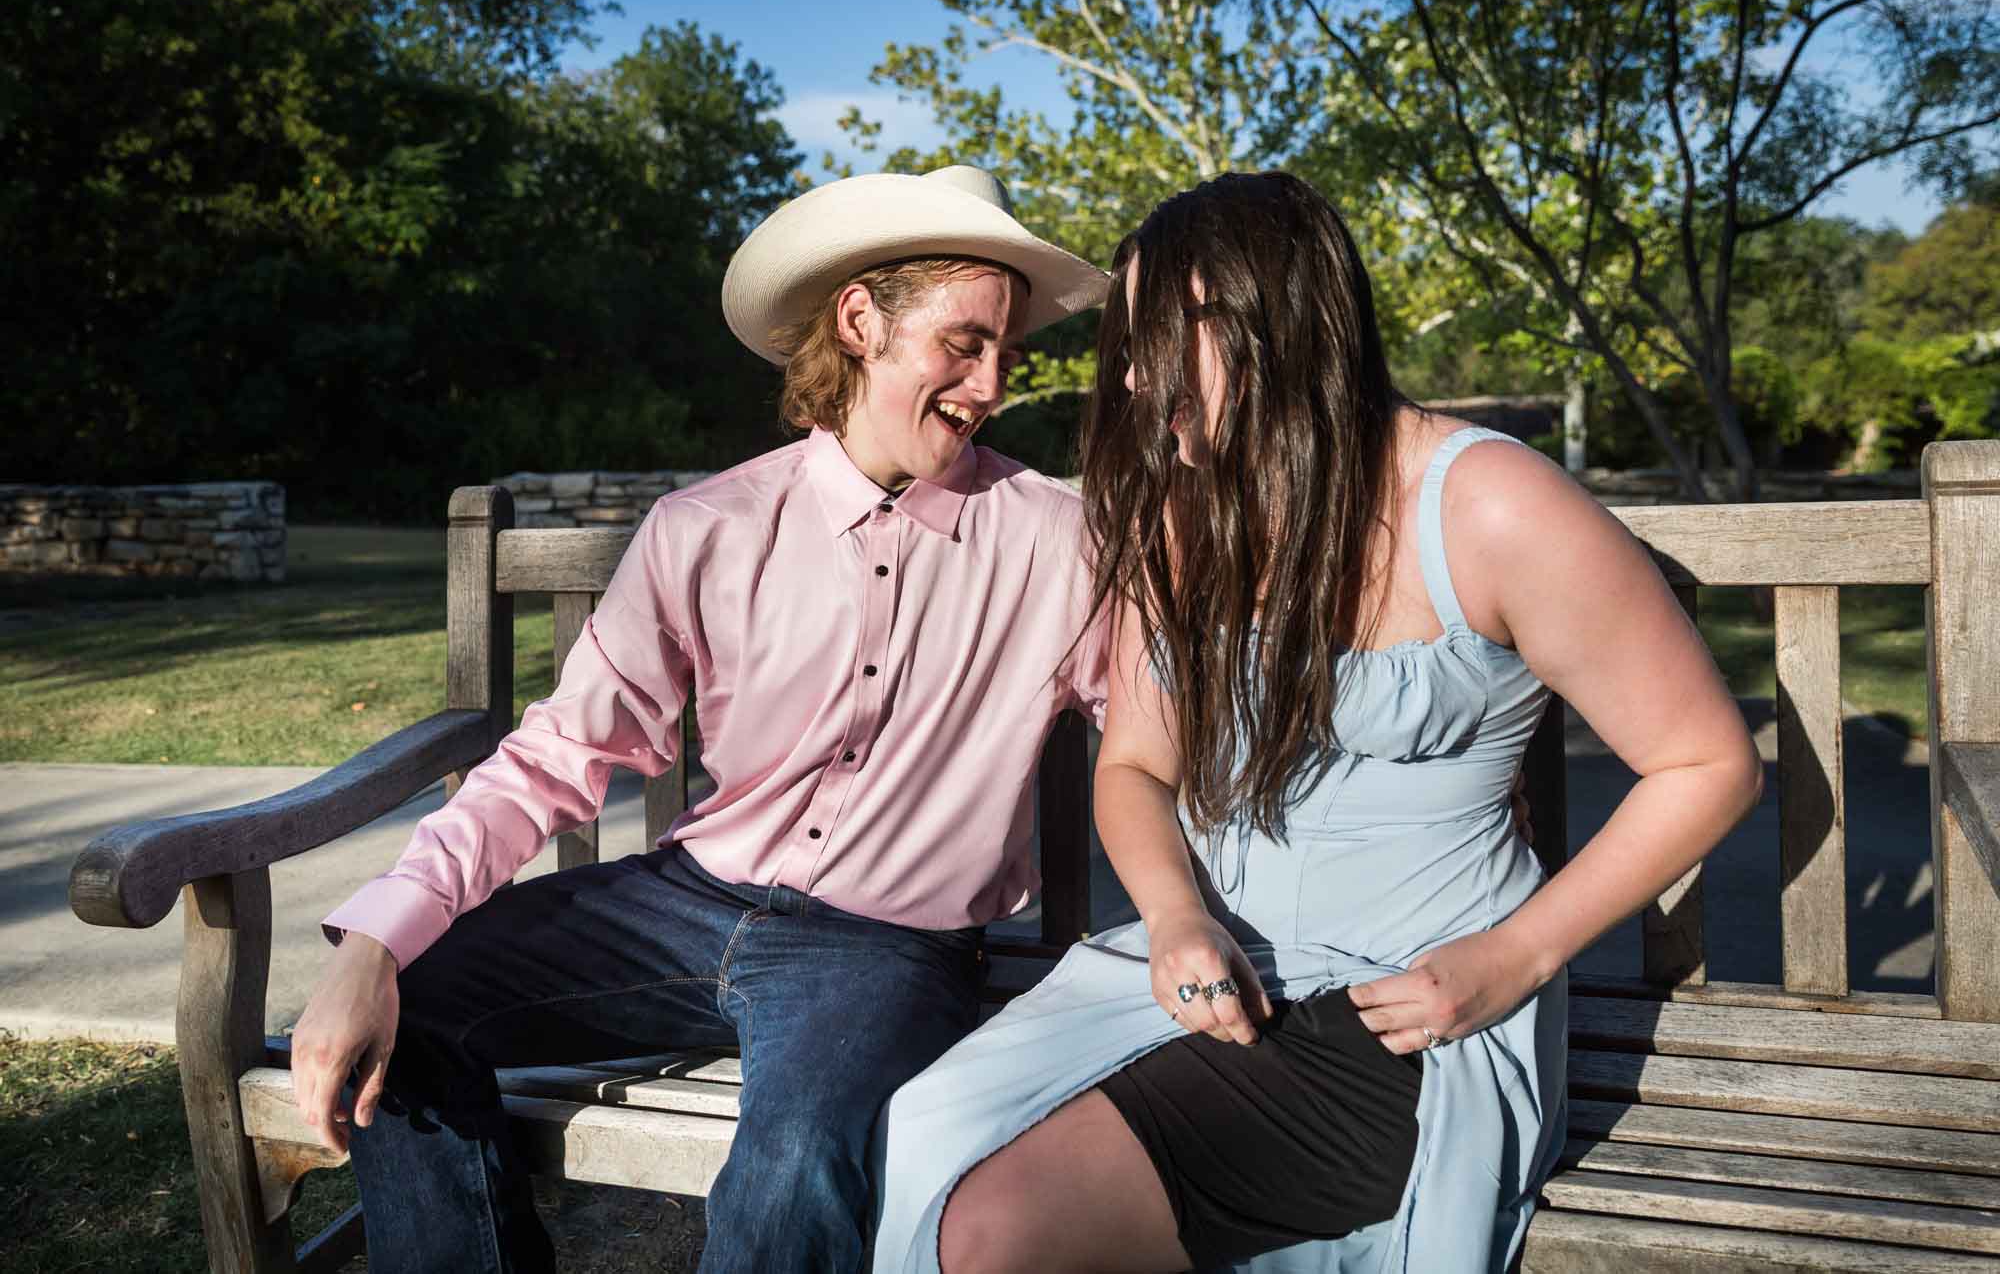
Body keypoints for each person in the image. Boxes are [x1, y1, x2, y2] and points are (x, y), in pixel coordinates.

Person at [870, 171, 1763, 1273]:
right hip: (1213, 973)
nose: (1139, 378)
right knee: (929, 1133)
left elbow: (1705, 761)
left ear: (1264, 319)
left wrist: (1511, 957)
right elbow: (1136, 765)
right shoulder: (1181, 512)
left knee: (997, 1230)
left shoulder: (1486, 504)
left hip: (1411, 1010)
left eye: (1155, 340)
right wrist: (1171, 918)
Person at [285, 164, 1115, 1273]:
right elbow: (561, 752)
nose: (989, 382)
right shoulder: (707, 528)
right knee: (411, 1010)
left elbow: (1168, 737)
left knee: (795, 1168)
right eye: (963, 343)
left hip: (883, 946)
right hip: (683, 902)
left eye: (1006, 353)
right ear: (861, 322)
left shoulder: (1061, 539)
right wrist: (375, 942)